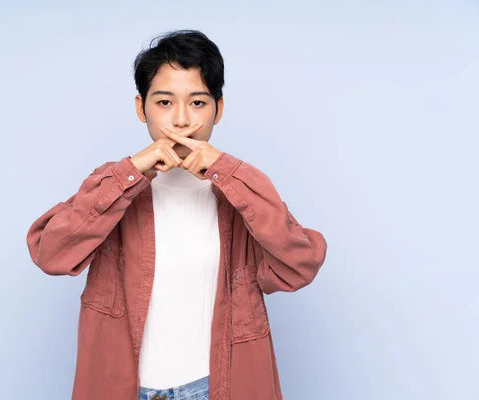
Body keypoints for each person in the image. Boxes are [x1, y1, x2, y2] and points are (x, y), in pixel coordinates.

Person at [26, 29, 328, 400]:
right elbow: (51, 253)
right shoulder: (114, 188)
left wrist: (231, 171)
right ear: (141, 108)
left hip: (217, 388)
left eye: (198, 103)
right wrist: (131, 170)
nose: (182, 120)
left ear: (219, 108)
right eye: (165, 102)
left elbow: (300, 264)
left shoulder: (240, 195)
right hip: (126, 389)